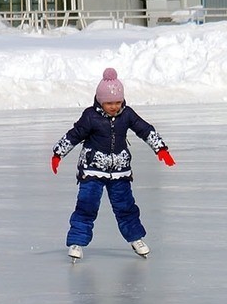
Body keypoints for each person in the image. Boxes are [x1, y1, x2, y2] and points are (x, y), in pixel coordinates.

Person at [52, 68, 175, 260]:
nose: (114, 107)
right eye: (109, 103)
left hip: (120, 171)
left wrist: (160, 149)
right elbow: (74, 134)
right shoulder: (90, 116)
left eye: (117, 102)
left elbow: (144, 129)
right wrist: (58, 153)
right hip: (92, 169)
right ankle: (77, 242)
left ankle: (136, 238)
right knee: (87, 205)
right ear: (100, 100)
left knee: (126, 206)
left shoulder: (127, 114)